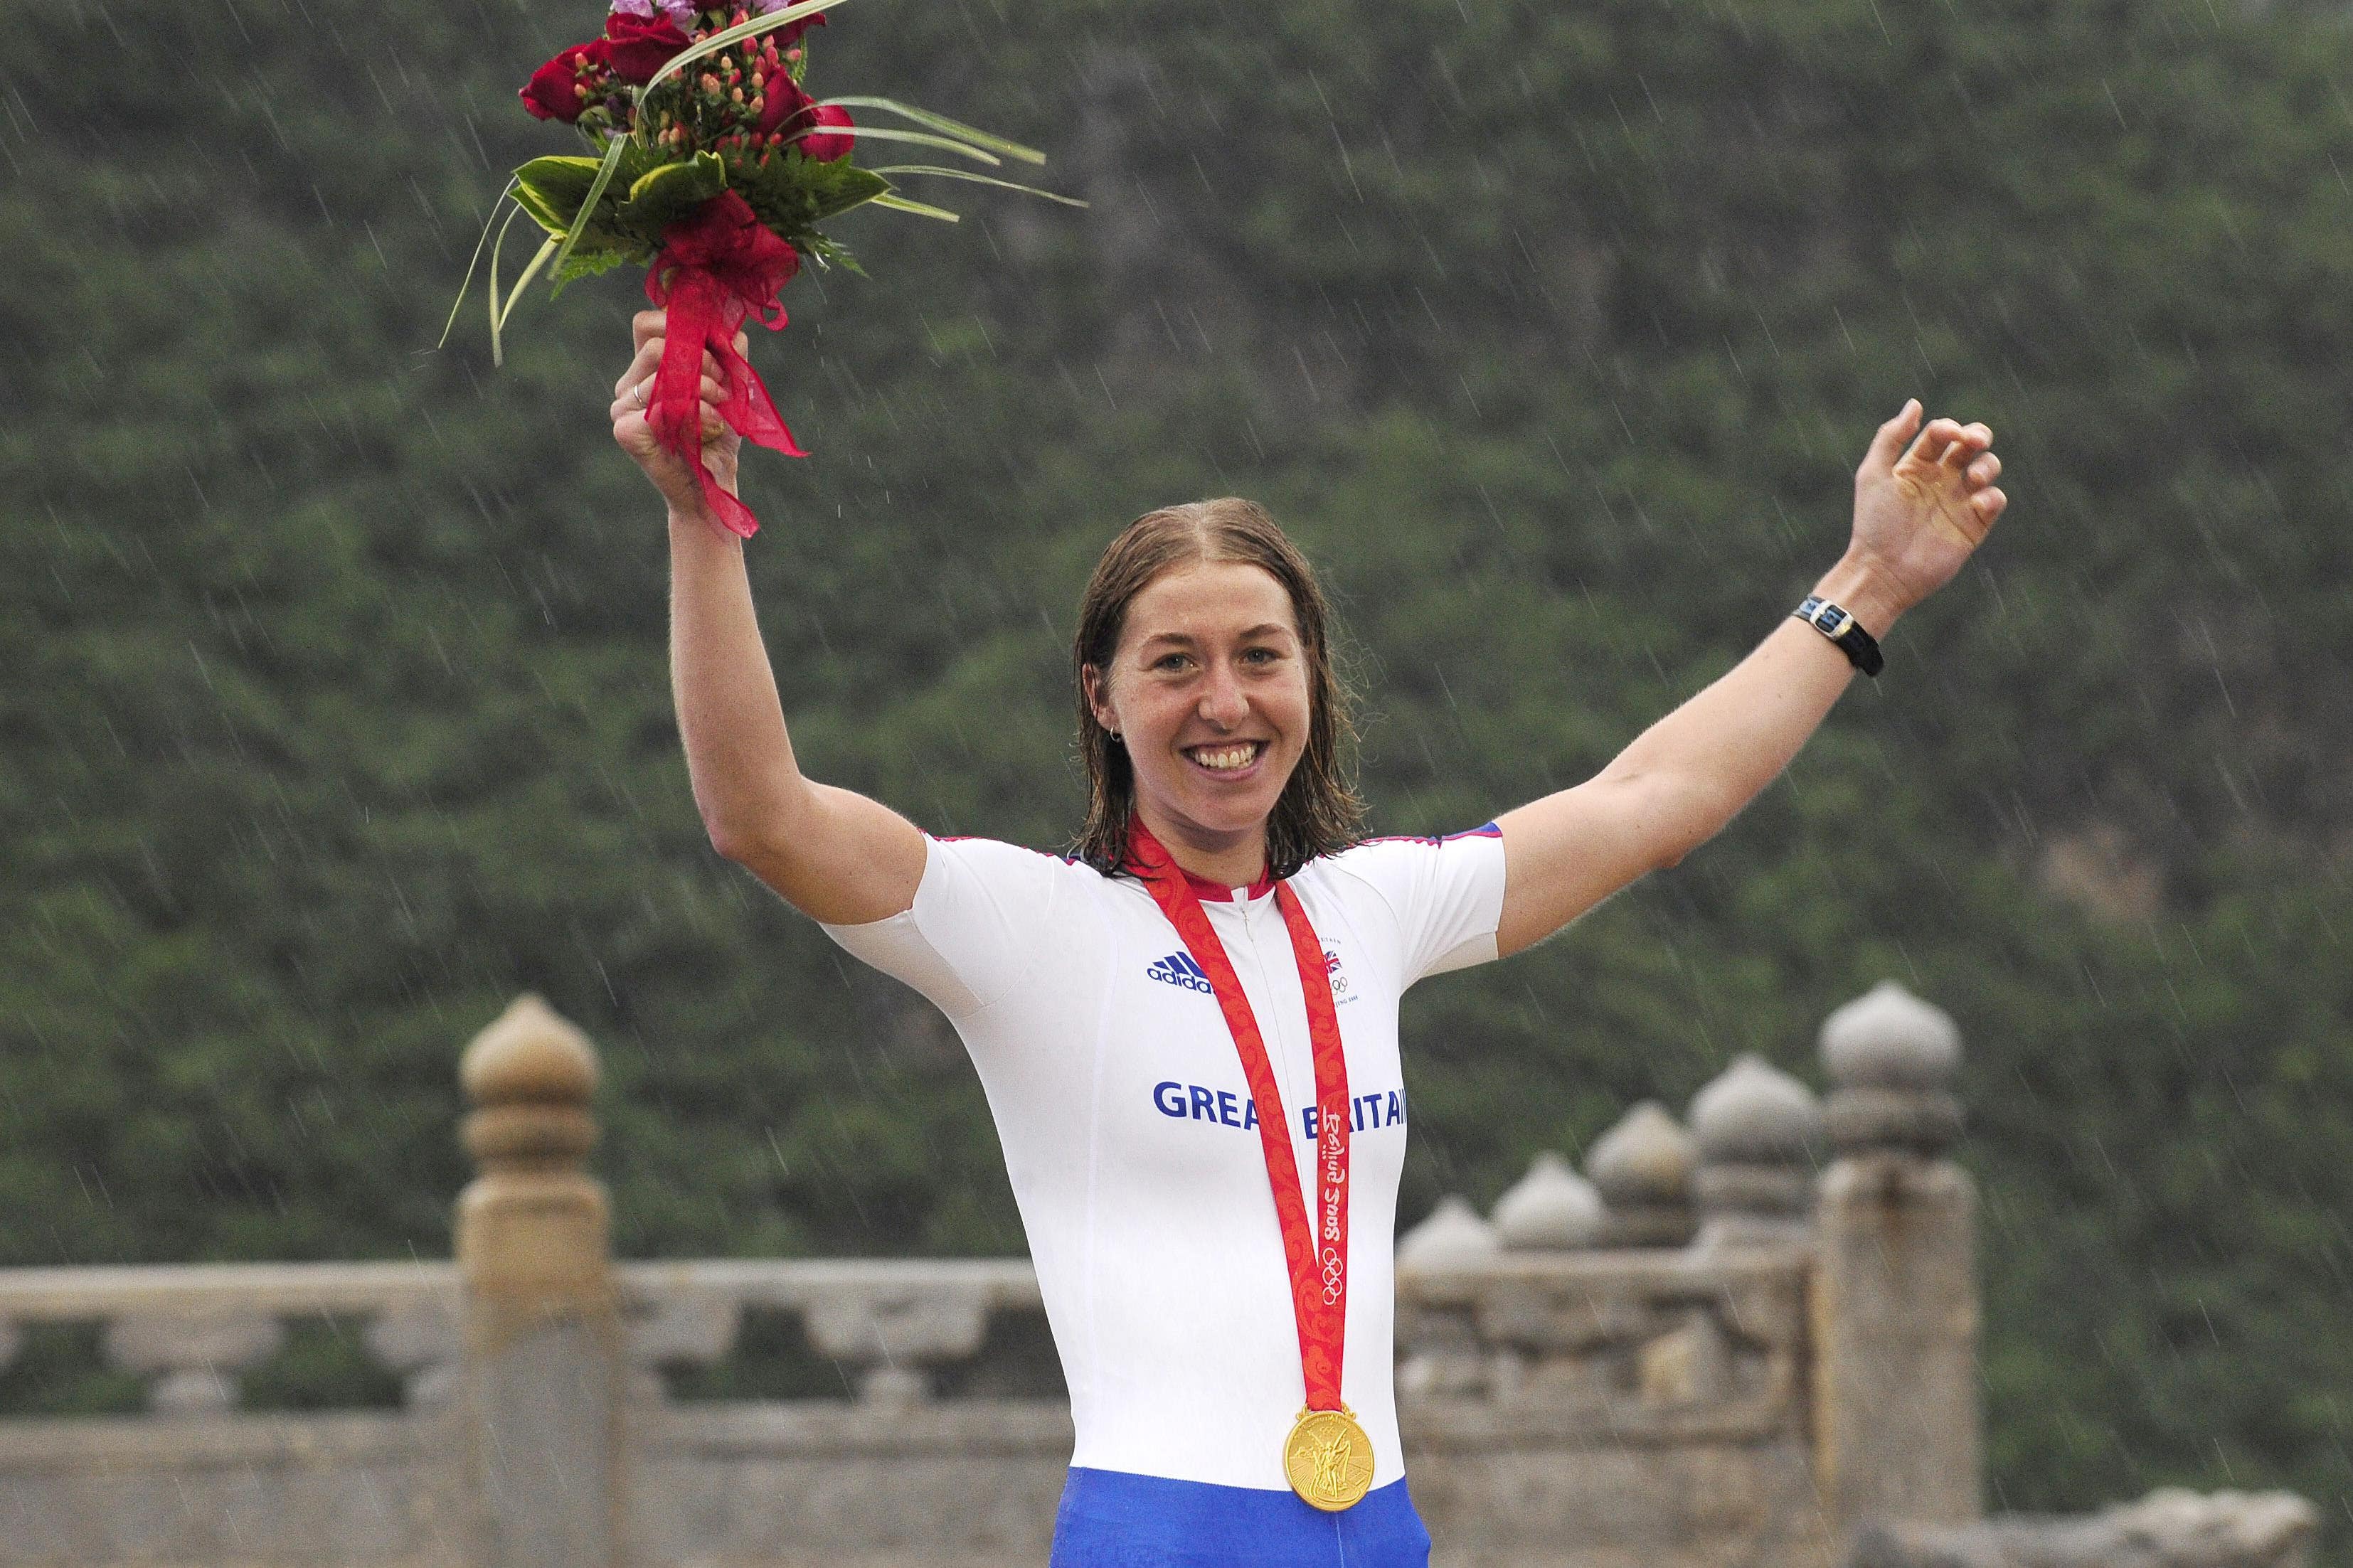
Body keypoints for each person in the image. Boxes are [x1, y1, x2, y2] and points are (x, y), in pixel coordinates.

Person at [610, 308, 2007, 1566]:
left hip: (1378, 1527)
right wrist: (698, 514)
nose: (1225, 701)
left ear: (1310, 678)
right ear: (1100, 697)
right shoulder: (1028, 928)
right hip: (1161, 1532)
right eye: (1174, 663)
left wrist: (1865, 589)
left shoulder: (1371, 910)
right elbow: (763, 815)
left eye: (1258, 655)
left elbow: (1653, 801)